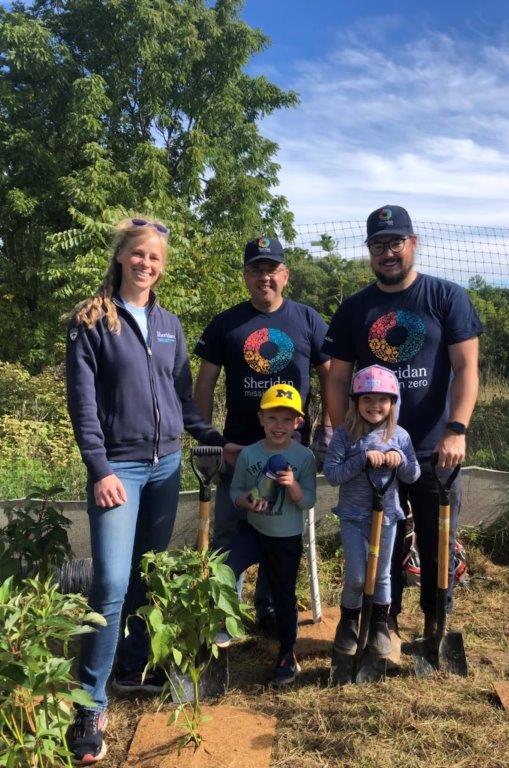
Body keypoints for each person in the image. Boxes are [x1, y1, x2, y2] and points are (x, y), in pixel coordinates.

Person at [64, 217, 238, 764]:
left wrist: (212, 437)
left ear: (162, 266)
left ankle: (132, 664)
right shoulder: (91, 322)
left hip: (166, 465)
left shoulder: (169, 324)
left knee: (147, 568)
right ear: (121, 256)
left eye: (155, 258)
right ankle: (89, 704)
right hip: (118, 468)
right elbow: (83, 404)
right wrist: (100, 468)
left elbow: (181, 397)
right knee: (112, 580)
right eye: (138, 254)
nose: (146, 263)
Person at [322, 204, 482, 659]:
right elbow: (336, 376)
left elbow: (466, 367)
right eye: (378, 245)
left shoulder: (446, 298)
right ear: (369, 252)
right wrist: (342, 434)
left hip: (435, 448)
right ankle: (382, 625)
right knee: (381, 540)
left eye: (395, 243)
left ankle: (435, 623)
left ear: (414, 244)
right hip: (373, 451)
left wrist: (457, 429)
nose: (387, 253)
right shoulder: (356, 309)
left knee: (437, 544)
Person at [194, 236, 331, 629]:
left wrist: (331, 429)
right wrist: (210, 441)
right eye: (256, 269)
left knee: (280, 534)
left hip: (289, 452)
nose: (264, 277)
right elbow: (204, 383)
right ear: (245, 276)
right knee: (228, 531)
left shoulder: (307, 320)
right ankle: (223, 613)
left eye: (271, 269)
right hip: (238, 450)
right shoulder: (227, 323)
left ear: (285, 275)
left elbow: (329, 375)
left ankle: (270, 609)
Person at [323, 365, 420, 660]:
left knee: (381, 576)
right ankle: (349, 623)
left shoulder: (400, 436)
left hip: (388, 516)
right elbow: (332, 474)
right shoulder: (344, 435)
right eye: (367, 399)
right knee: (355, 576)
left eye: (382, 400)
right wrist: (362, 460)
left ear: (392, 403)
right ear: (355, 402)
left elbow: (413, 474)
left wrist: (399, 459)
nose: (374, 406)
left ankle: (379, 623)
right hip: (353, 517)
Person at [227, 383, 316, 685]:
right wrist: (245, 500)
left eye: (286, 420)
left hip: (286, 539)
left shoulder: (303, 457)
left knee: (283, 597)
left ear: (297, 423)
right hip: (252, 530)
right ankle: (221, 628)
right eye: (273, 418)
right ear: (261, 419)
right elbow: (235, 492)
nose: (279, 426)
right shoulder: (250, 454)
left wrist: (291, 484)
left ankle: (287, 652)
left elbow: (308, 501)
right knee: (224, 569)